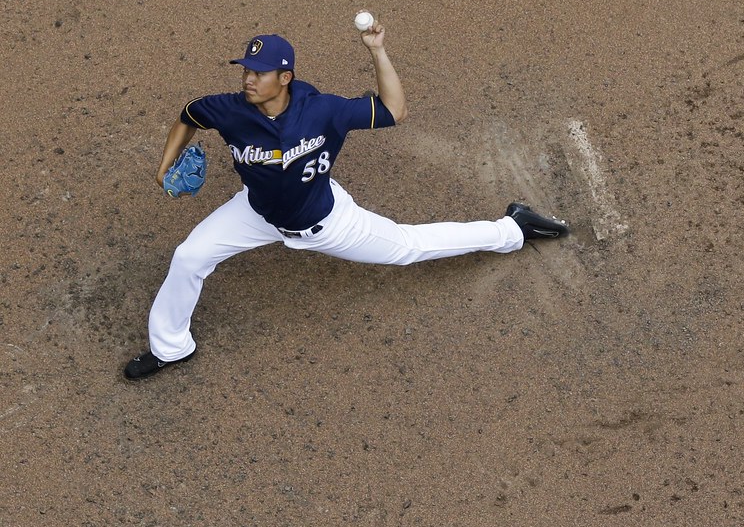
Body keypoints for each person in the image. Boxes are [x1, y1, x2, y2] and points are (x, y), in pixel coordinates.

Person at [123, 19, 569, 380]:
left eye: (259, 73)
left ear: (285, 78)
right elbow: (188, 115)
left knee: (409, 247)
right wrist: (166, 164)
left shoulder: (323, 111)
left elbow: (394, 110)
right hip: (254, 214)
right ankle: (171, 348)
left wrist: (377, 51)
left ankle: (512, 228)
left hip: (327, 222)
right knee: (189, 257)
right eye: (246, 70)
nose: (248, 79)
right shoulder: (228, 109)